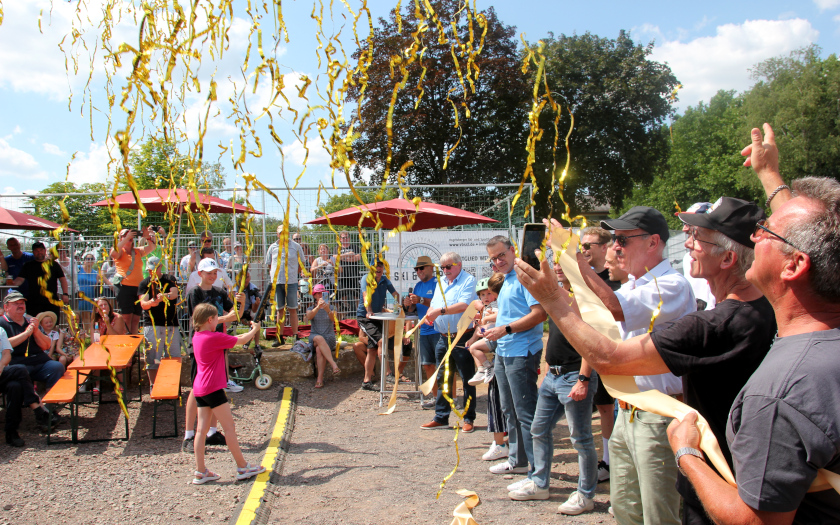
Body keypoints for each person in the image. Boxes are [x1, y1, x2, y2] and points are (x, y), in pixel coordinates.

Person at [666, 124, 840, 524]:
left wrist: (687, 453)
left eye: (765, 231)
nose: (754, 234)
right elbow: (814, 233)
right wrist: (768, 174)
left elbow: (757, 521)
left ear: (794, 265)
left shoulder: (782, 393)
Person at [522, 209, 695, 523]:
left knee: (659, 513)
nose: (616, 247)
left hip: (657, 415)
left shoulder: (672, 284)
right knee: (626, 509)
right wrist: (546, 288)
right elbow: (588, 311)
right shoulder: (635, 284)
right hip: (627, 413)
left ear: (654, 242)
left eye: (623, 239)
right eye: (615, 239)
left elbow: (613, 309)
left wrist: (575, 259)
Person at [507, 260, 600, 517]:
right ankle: (539, 484)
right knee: (539, 429)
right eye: (554, 262)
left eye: (562, 262)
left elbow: (591, 343)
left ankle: (586, 495)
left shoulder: (585, 297)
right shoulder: (559, 293)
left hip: (574, 377)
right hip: (553, 375)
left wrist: (583, 380)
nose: (557, 267)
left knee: (581, 439)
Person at [479, 236, 547, 480]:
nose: (498, 261)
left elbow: (539, 314)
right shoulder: (506, 280)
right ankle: (517, 460)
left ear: (512, 251)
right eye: (493, 259)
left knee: (525, 412)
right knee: (509, 409)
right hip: (504, 351)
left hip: (522, 351)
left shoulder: (523, 278)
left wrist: (505, 329)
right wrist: (493, 325)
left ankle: (536, 473)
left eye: (501, 255)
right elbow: (510, 315)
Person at [189, 303, 265, 484]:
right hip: (213, 388)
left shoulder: (198, 336)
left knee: (200, 430)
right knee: (229, 427)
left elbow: (232, 338)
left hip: (200, 388)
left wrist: (246, 333)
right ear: (210, 320)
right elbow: (242, 341)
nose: (218, 320)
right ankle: (242, 466)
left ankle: (200, 471)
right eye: (216, 318)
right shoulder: (213, 338)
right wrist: (255, 330)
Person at [182, 258, 245, 452]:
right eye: (209, 272)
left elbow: (236, 314)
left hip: (218, 344)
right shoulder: (194, 293)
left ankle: (211, 432)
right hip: (202, 347)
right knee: (196, 389)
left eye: (215, 272)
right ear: (199, 273)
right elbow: (198, 320)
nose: (212, 275)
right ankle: (189, 435)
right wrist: (225, 317)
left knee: (218, 386)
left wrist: (240, 304)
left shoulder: (220, 292)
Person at [421, 252, 478, 433]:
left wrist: (439, 311)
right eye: (442, 268)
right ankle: (441, 416)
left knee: (467, 379)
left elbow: (463, 305)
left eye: (448, 266)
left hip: (462, 336)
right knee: (443, 377)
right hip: (443, 337)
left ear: (459, 265)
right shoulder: (441, 282)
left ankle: (468, 418)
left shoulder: (468, 280)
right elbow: (434, 304)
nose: (445, 271)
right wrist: (430, 314)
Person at [596, 245, 629, 482]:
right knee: (607, 411)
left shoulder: (620, 288)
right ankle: (611, 463)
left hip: (629, 378)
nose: (607, 266)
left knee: (610, 411)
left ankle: (610, 464)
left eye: (588, 246)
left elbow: (613, 311)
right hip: (615, 372)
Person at [1, 327, 59, 446]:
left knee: (15, 386)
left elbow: (7, 354)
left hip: (1, 373)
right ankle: (37, 409)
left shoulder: (0, 330)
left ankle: (11, 432)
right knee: (20, 370)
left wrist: (0, 367)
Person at [0, 292, 65, 391]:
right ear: (6, 307)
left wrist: (36, 331)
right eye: (15, 303)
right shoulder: (1, 323)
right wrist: (26, 334)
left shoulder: (32, 321)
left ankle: (50, 400)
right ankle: (31, 401)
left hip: (40, 361)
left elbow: (47, 345)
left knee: (57, 367)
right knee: (21, 370)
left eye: (22, 303)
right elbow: (2, 345)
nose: (20, 306)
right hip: (17, 363)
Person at [353, 259, 399, 390]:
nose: (378, 269)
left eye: (380, 266)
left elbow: (395, 294)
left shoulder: (385, 280)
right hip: (365, 317)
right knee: (381, 341)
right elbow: (365, 295)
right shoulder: (366, 278)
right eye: (375, 266)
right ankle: (388, 373)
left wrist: (403, 305)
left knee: (372, 349)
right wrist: (369, 311)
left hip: (378, 316)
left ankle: (366, 381)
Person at [401, 256, 440, 408]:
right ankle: (437, 397)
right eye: (417, 269)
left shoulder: (439, 284)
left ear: (431, 268)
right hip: (424, 330)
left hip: (438, 329)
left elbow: (439, 304)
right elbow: (413, 310)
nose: (419, 271)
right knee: (428, 365)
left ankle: (450, 398)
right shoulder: (417, 286)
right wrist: (408, 304)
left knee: (441, 365)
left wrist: (421, 300)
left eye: (421, 268)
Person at [139, 257, 181, 386]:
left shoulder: (170, 279)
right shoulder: (144, 283)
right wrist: (151, 303)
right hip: (152, 325)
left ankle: (172, 385)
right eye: (150, 270)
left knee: (174, 357)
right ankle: (154, 385)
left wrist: (165, 296)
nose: (151, 272)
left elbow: (174, 294)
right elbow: (143, 303)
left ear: (160, 267)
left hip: (171, 325)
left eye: (154, 269)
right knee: (152, 358)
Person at [110, 227, 161, 334]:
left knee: (136, 318)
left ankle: (135, 343)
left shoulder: (137, 251)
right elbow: (113, 253)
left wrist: (147, 237)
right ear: (120, 238)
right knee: (127, 317)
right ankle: (127, 341)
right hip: (124, 287)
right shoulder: (119, 251)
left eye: (130, 235)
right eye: (124, 235)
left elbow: (152, 247)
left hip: (138, 288)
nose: (129, 237)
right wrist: (125, 238)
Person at [264, 224, 304, 345]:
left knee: (293, 309)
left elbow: (301, 263)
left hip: (291, 282)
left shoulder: (296, 247)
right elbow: (269, 264)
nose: (283, 235)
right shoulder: (272, 247)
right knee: (279, 310)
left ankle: (296, 336)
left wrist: (292, 275)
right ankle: (279, 337)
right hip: (277, 283)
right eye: (281, 233)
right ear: (277, 234)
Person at [11, 242, 69, 317]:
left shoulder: (54, 264)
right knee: (34, 324)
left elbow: (63, 279)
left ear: (45, 251)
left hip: (51, 301)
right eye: (36, 250)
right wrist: (10, 284)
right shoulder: (28, 265)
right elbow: (20, 279)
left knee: (52, 324)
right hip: (33, 301)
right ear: (33, 252)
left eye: (41, 250)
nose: (39, 252)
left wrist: (65, 294)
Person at [679, 202, 717, 311]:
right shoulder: (688, 258)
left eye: (690, 223)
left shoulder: (715, 255)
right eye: (684, 223)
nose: (684, 229)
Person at [466, 274, 502, 385]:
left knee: (474, 348)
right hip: (489, 336)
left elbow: (499, 315)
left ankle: (488, 367)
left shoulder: (495, 305)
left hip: (495, 337)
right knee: (471, 347)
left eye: (489, 293)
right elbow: (480, 325)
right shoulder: (487, 307)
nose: (486, 297)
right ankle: (481, 369)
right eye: (482, 295)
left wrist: (486, 318)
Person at [303, 284, 341, 388]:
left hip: (328, 337)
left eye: (322, 293)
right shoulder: (311, 308)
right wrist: (317, 307)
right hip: (315, 336)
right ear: (314, 295)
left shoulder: (332, 307)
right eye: (318, 293)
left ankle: (319, 379)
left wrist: (327, 309)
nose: (320, 296)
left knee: (319, 350)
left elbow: (334, 320)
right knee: (319, 339)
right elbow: (309, 317)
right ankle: (333, 364)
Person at [336, 230, 363, 315]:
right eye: (343, 237)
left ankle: (359, 313)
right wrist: (349, 254)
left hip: (354, 274)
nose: (345, 239)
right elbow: (334, 257)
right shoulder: (337, 248)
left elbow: (358, 258)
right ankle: (345, 313)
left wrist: (342, 258)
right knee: (342, 295)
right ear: (340, 239)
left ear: (349, 238)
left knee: (357, 295)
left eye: (347, 237)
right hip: (342, 276)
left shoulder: (355, 246)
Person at [77, 252, 99, 329]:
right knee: (75, 317)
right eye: (88, 258)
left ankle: (87, 336)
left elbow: (95, 285)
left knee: (87, 318)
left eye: (91, 259)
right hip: (78, 297)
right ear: (84, 260)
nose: (89, 260)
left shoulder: (95, 273)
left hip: (89, 297)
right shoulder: (78, 268)